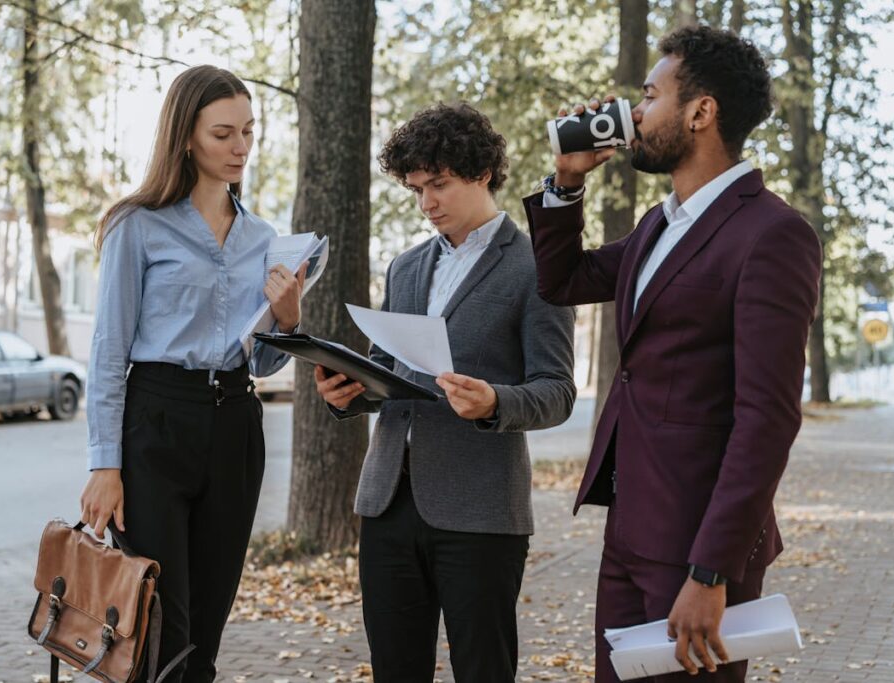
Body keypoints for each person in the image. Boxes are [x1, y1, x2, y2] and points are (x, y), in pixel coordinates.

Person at [524, 26, 822, 682]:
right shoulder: (660, 224)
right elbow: (563, 279)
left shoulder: (773, 235)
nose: (633, 113)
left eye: (649, 96)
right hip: (631, 524)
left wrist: (711, 569)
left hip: (697, 546)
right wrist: (567, 180)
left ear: (700, 112)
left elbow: (767, 418)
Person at [315, 103, 576, 681]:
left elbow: (556, 390)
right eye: (416, 189)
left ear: (481, 173)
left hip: (480, 509)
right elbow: (389, 372)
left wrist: (495, 403)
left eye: (439, 184)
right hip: (387, 503)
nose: (426, 203)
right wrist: (349, 395)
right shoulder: (406, 267)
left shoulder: (537, 266)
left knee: (483, 669)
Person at [78, 65, 304, 683]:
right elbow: (107, 351)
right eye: (223, 134)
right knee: (157, 626)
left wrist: (286, 321)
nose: (240, 149)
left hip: (235, 424)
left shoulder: (264, 237)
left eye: (249, 133)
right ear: (185, 137)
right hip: (156, 423)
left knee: (205, 629)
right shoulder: (137, 224)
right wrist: (105, 463)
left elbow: (260, 359)